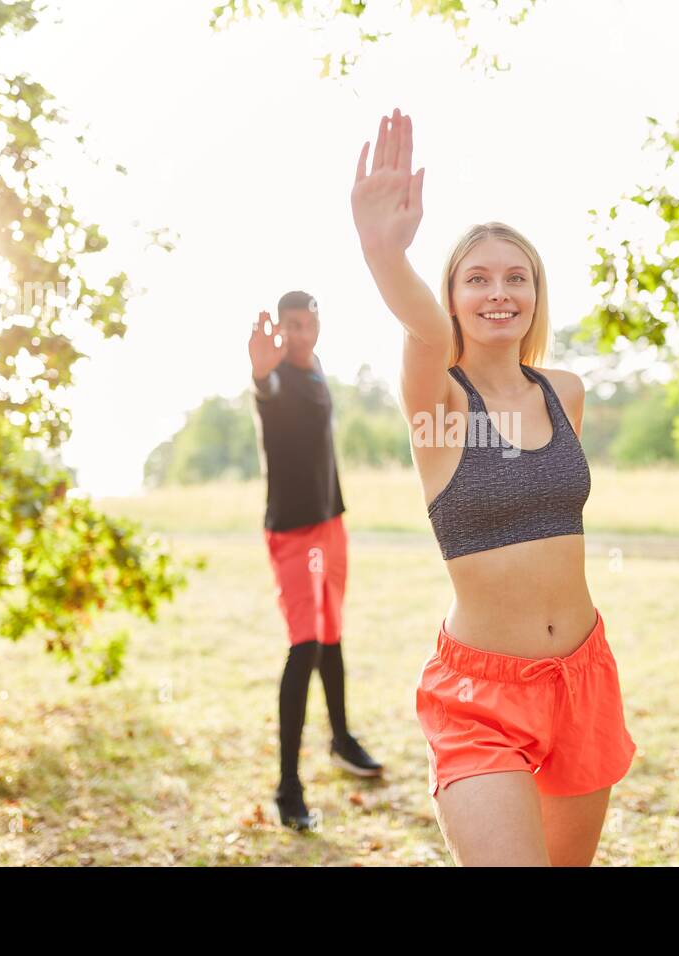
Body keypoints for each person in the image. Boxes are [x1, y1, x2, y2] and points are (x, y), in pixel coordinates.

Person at [350, 107, 636, 866]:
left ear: (537, 295)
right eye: (477, 279)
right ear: (451, 297)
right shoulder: (438, 406)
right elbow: (421, 333)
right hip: (480, 699)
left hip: (582, 677)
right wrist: (383, 252)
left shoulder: (565, 392)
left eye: (517, 278)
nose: (498, 292)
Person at [248, 291, 383, 832]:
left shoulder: (316, 367)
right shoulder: (276, 378)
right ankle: (288, 788)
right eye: (292, 327)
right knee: (304, 647)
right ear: (280, 330)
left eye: (309, 324)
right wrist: (261, 374)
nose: (302, 335)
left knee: (331, 637)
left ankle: (343, 740)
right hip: (295, 532)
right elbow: (266, 390)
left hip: (331, 522)